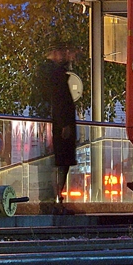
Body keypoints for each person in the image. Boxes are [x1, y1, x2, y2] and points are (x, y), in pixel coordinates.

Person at [36, 47, 78, 202]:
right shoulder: (56, 75)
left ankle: (56, 196)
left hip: (58, 125)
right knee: (61, 162)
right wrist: (65, 124)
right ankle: (58, 196)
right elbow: (61, 102)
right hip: (61, 126)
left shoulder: (49, 74)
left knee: (59, 162)